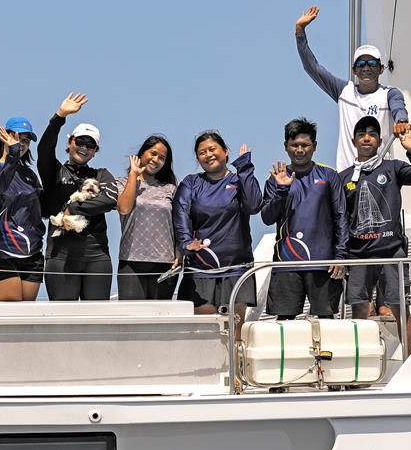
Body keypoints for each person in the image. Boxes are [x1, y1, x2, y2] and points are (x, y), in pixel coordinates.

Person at [339, 116, 411, 355]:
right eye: (361, 134)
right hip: (359, 255)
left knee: (400, 308)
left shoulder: (393, 168)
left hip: (392, 253)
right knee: (360, 310)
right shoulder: (344, 177)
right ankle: (359, 367)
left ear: (380, 140)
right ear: (353, 140)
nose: (367, 138)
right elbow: (339, 219)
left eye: (372, 134)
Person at [295, 5, 409, 172]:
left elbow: (399, 109)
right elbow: (312, 67)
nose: (366, 68)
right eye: (361, 64)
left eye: (372, 63)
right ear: (354, 70)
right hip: (346, 174)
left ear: (381, 68)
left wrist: (401, 122)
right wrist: (300, 32)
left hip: (380, 174)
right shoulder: (344, 91)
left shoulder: (390, 94)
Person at [173, 132, 263, 336]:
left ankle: (237, 368)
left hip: (236, 267)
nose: (208, 155)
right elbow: (180, 214)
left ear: (225, 151)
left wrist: (245, 168)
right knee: (208, 334)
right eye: (202, 152)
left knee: (235, 334)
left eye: (212, 149)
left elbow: (254, 205)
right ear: (197, 159)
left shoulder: (239, 180)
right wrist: (186, 242)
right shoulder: (191, 183)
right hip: (201, 268)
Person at [261, 118, 348, 319]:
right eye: (294, 145)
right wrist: (282, 189)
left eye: (305, 145)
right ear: (286, 147)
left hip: (323, 264)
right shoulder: (276, 179)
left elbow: (341, 217)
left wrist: (340, 256)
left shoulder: (328, 176)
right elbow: (267, 217)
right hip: (286, 263)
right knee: (284, 323)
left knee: (326, 322)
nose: (299, 150)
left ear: (314, 147)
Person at [37, 93, 119, 300]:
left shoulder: (101, 174)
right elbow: (44, 149)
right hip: (60, 253)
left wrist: (72, 208)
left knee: (97, 320)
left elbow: (110, 200)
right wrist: (59, 116)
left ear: (95, 151)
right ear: (70, 142)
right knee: (63, 319)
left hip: (96, 255)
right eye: (80, 141)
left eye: (90, 145)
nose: (84, 147)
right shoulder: (54, 172)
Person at [0, 118, 45, 301]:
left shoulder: (30, 174)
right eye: (16, 137)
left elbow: (40, 211)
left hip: (32, 253)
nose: (21, 143)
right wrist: (13, 154)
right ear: (4, 137)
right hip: (1, 252)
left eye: (25, 140)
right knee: (10, 313)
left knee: (26, 318)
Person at [116, 135, 181, 300]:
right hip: (131, 260)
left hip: (166, 262)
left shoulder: (171, 188)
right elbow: (124, 208)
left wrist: (180, 252)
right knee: (132, 320)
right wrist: (133, 175)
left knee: (160, 320)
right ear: (142, 153)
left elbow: (181, 223)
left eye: (162, 158)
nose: (156, 159)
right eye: (153, 153)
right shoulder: (122, 183)